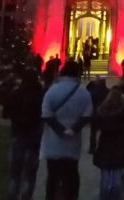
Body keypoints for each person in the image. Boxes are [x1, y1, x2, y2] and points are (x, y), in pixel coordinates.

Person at [41, 60, 94, 200]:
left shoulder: (52, 90)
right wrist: (74, 129)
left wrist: (60, 130)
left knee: (52, 177)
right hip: (72, 144)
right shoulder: (83, 93)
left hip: (53, 142)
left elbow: (46, 114)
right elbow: (87, 115)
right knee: (71, 176)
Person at [93, 86, 124, 200]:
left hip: (105, 144)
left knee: (106, 174)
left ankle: (104, 195)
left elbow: (95, 124)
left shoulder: (102, 111)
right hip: (120, 144)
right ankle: (115, 195)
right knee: (117, 173)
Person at [4, 69, 43, 200]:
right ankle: (26, 196)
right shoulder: (40, 95)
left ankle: (12, 195)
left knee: (15, 172)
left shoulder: (16, 94)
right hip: (34, 135)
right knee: (30, 172)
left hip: (18, 133)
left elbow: (5, 113)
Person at [86, 77, 109, 154]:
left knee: (93, 132)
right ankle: (104, 147)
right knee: (105, 131)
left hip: (94, 113)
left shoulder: (93, 92)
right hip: (105, 114)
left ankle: (92, 148)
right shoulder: (108, 92)